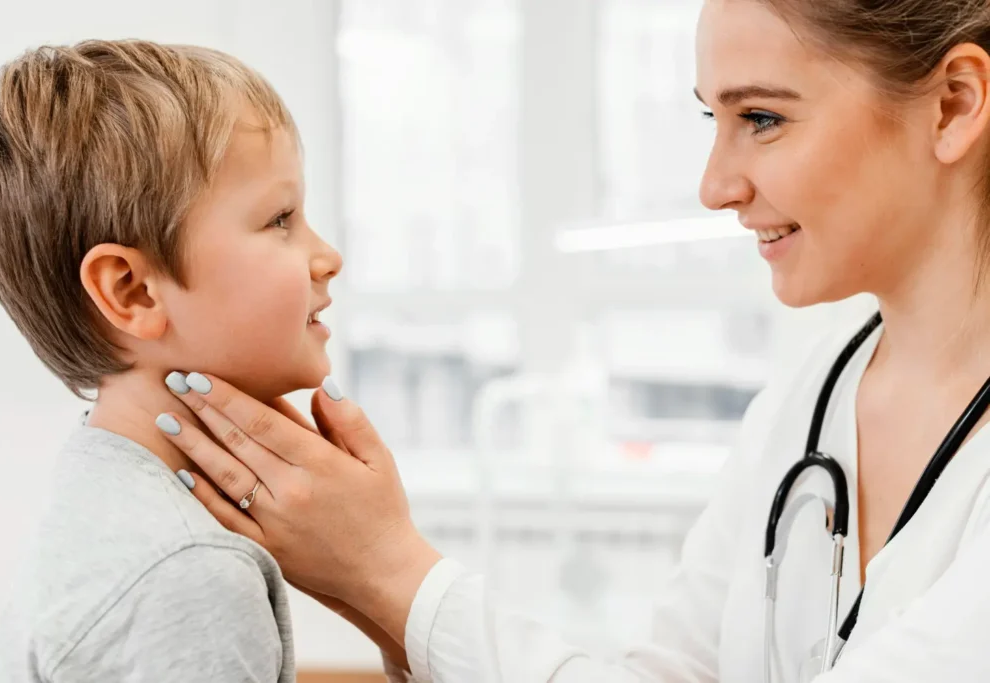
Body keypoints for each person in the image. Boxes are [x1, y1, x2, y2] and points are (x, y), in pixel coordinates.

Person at [154, 0, 990, 681]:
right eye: (714, 118)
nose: (714, 185)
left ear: (953, 105)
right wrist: (373, 588)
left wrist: (394, 572)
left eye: (763, 118)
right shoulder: (804, 403)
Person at [0, 40, 345, 682]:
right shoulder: (189, 574)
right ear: (133, 291)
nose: (327, 255)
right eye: (281, 218)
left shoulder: (105, 488)